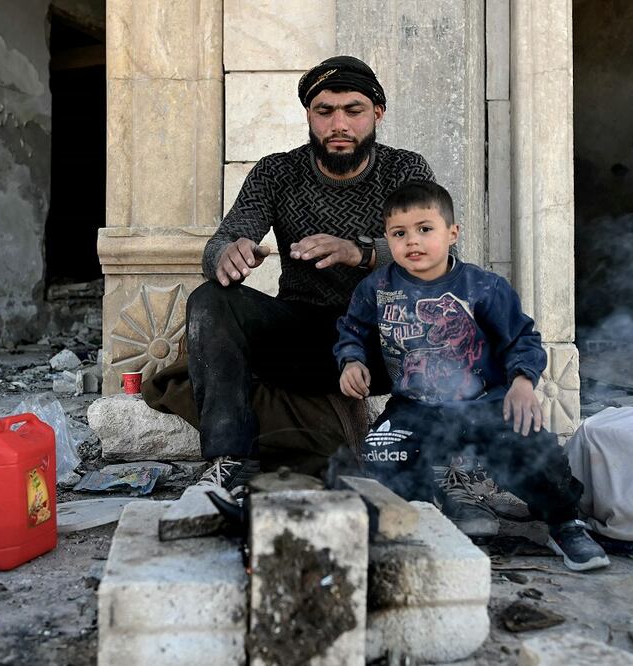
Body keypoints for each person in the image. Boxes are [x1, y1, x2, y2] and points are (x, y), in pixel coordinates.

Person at [186, 56, 434, 493]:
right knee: (211, 299)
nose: (339, 124)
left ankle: (412, 456)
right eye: (325, 111)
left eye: (353, 111)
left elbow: (436, 256)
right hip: (302, 338)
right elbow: (220, 243)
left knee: (451, 305)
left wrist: (359, 253)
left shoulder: (405, 171)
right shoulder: (276, 172)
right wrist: (228, 253)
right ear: (309, 115)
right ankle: (231, 458)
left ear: (377, 113)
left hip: (381, 342)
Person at [334, 181, 610, 571]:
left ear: (452, 233)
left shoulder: (483, 287)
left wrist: (522, 383)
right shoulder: (375, 288)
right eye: (399, 234)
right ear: (387, 239)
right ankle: (432, 509)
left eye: (425, 229)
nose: (413, 241)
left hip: (484, 402)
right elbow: (353, 330)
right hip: (415, 406)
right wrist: (351, 361)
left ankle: (564, 523)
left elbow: (522, 340)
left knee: (531, 446)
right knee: (381, 453)